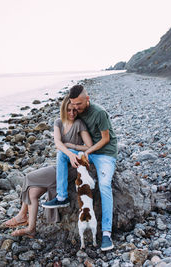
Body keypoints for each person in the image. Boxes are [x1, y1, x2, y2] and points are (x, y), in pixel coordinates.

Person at [3, 96, 93, 238]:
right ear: (63, 109)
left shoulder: (79, 124)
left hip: (73, 168)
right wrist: (68, 152)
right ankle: (31, 228)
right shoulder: (58, 122)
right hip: (61, 165)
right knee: (32, 193)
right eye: (68, 110)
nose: (71, 113)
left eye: (74, 110)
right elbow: (57, 143)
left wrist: (72, 147)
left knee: (28, 177)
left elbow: (89, 146)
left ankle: (21, 215)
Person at [42, 84, 117, 251]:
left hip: (104, 153)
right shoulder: (75, 115)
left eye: (78, 105)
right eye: (73, 104)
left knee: (104, 185)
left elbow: (105, 139)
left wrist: (87, 152)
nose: (75, 108)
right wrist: (71, 152)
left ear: (87, 99)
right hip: (87, 151)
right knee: (62, 154)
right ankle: (62, 197)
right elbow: (60, 140)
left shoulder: (99, 113)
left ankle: (106, 234)